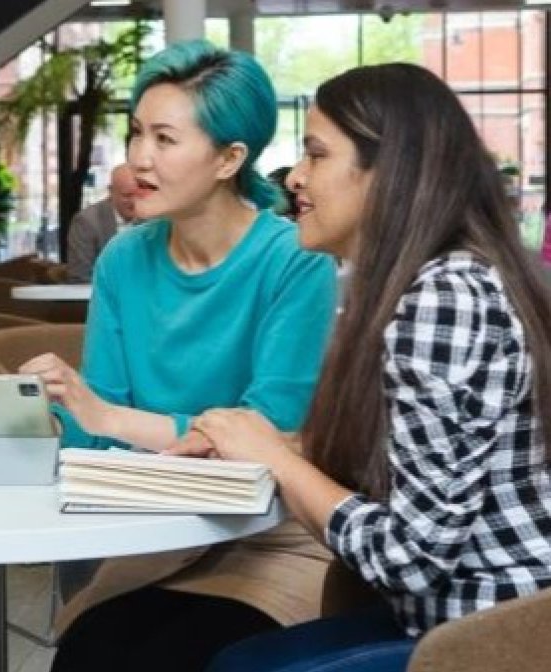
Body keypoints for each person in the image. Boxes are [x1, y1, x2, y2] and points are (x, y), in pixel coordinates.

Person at [189, 63, 551, 672]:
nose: (294, 179)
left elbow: (409, 557)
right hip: (475, 616)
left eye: (316, 155)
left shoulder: (441, 300)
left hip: (491, 635)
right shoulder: (455, 276)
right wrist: (276, 446)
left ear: (389, 175)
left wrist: (274, 458)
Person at [18, 40, 338, 671]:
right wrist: (52, 414)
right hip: (155, 529)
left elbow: (267, 431)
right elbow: (97, 430)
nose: (138, 158)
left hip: (269, 535)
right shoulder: (123, 258)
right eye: (137, 132)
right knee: (84, 658)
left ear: (229, 158)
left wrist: (109, 419)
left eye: (165, 139)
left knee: (178, 658)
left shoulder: (295, 259)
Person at [65, 164, 139, 282]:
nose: (134, 202)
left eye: (139, 195)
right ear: (111, 191)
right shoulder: (87, 222)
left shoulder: (153, 219)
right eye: (127, 195)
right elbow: (81, 276)